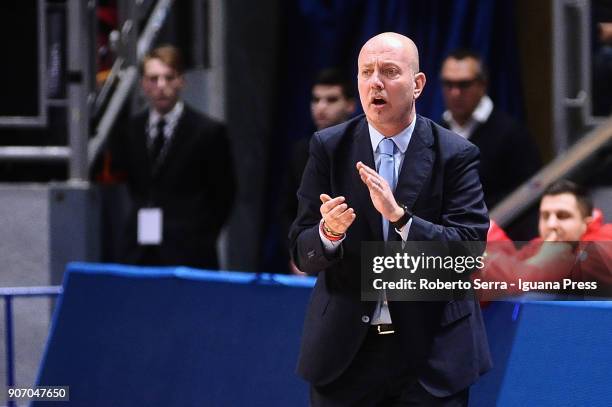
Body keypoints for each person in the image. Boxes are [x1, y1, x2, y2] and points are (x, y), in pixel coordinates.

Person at [290, 32, 491, 406]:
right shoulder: (328, 148)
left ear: (417, 85)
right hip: (346, 352)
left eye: (389, 71)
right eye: (366, 72)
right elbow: (303, 251)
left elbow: (469, 253)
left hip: (429, 354)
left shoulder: (455, 154)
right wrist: (328, 234)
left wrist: (401, 219)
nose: (375, 82)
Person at [110, 45, 235, 269]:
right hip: (139, 248)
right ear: (143, 84)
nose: (161, 86)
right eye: (153, 78)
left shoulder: (208, 132)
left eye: (168, 78)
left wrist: (202, 238)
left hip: (190, 251)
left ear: (181, 81)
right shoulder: (130, 130)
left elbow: (224, 194)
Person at [439, 49, 541, 209]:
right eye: (448, 84)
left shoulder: (512, 134)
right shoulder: (436, 131)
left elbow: (527, 191)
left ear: (482, 85)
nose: (455, 93)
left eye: (464, 84)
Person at [479, 180, 612, 298]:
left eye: (563, 216)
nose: (551, 224)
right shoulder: (539, 245)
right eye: (545, 216)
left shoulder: (605, 241)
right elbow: (503, 280)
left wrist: (542, 263)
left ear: (586, 223)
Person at [281, 68, 356, 274]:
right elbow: (289, 210)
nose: (321, 107)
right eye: (316, 100)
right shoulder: (301, 151)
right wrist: (296, 253)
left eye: (331, 100)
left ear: (350, 105)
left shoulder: (364, 148)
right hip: (311, 256)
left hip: (354, 260)